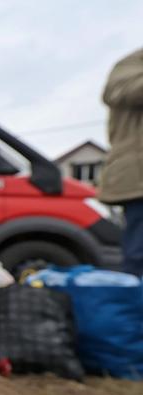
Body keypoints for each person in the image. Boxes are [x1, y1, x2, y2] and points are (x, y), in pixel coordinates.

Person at [97, 48, 143, 277]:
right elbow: (124, 92)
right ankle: (133, 307)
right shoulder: (133, 64)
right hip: (138, 178)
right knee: (138, 252)